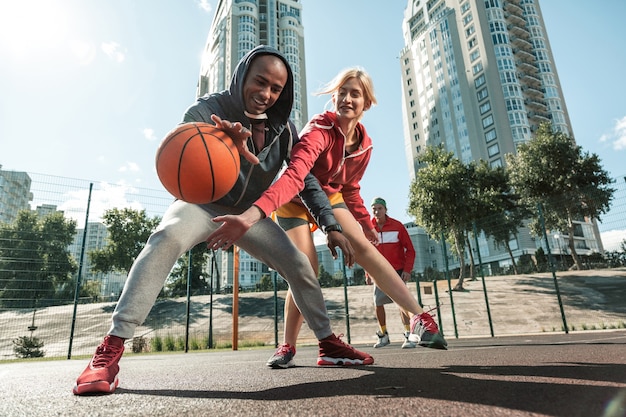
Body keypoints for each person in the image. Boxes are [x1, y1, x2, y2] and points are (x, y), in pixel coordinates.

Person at [73, 46, 374, 396]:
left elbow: (304, 179)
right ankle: (110, 350)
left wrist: (330, 224)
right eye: (260, 82)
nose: (265, 94)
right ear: (243, 75)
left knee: (299, 264)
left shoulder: (286, 131)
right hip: (200, 205)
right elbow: (179, 150)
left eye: (275, 89)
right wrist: (224, 144)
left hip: (249, 214)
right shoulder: (207, 110)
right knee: (167, 238)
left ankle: (328, 344)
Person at [205, 67, 447, 369]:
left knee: (363, 247)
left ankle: (418, 317)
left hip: (330, 198)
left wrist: (364, 223)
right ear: (334, 97)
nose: (346, 98)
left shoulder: (364, 145)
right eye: (342, 92)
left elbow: (350, 188)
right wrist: (254, 215)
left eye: (354, 94)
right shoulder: (319, 130)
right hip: (295, 200)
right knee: (304, 267)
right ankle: (287, 345)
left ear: (366, 103)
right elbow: (296, 176)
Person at [366, 197, 417, 349]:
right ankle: (383, 335)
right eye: (374, 208)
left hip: (397, 272)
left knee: (402, 304)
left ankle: (409, 335)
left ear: (385, 210)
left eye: (379, 208)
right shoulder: (368, 228)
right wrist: (368, 273)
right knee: (378, 303)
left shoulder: (397, 226)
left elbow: (411, 250)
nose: (376, 211)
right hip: (378, 272)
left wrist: (407, 270)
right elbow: (366, 253)